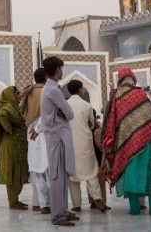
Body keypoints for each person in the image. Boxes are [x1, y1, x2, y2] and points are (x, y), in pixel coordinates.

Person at [103, 67, 151, 217]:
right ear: (132, 78)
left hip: (126, 144)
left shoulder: (115, 95)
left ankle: (135, 208)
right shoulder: (139, 93)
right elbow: (150, 117)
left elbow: (111, 121)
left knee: (132, 173)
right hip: (145, 141)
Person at [40, 56, 79, 226]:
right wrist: (62, 113)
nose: (62, 72)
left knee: (62, 176)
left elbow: (65, 113)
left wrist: (60, 113)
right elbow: (70, 113)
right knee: (57, 176)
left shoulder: (49, 88)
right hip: (57, 138)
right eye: (61, 69)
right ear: (57, 70)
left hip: (56, 137)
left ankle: (62, 210)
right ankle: (57, 216)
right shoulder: (53, 90)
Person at [66, 80, 108, 213]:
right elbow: (91, 124)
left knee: (73, 177)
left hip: (70, 143)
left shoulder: (65, 105)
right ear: (80, 90)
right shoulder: (86, 105)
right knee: (91, 173)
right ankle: (97, 199)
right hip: (85, 142)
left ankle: (76, 205)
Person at [0, 86, 29, 211]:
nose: (19, 96)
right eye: (17, 94)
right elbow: (1, 115)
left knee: (19, 172)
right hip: (10, 146)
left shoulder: (15, 108)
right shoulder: (7, 108)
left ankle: (15, 199)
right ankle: (12, 202)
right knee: (12, 173)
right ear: (10, 96)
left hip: (17, 145)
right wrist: (7, 126)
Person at [25, 68, 50, 214]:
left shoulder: (29, 93)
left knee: (36, 169)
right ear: (46, 77)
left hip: (30, 133)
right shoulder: (46, 92)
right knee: (47, 169)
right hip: (42, 132)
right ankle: (49, 204)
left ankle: (40, 203)